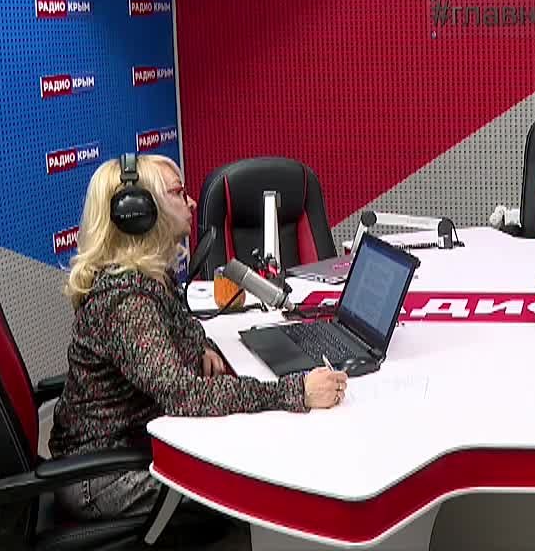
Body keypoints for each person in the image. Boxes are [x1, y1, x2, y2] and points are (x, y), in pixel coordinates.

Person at [49, 153, 348, 521]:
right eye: (179, 193)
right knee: (259, 476)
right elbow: (184, 394)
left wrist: (200, 345)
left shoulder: (148, 277)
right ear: (140, 212)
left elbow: (182, 329)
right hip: (101, 477)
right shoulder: (127, 302)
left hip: (132, 443)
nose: (192, 203)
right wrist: (296, 391)